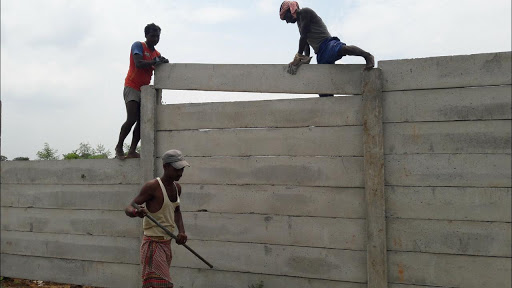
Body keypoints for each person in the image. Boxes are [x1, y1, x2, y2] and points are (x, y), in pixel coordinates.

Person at [279, 1, 375, 96]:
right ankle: (333, 107)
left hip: (327, 44)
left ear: (290, 10)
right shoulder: (299, 23)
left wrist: (298, 56)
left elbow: (303, 36)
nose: (287, 22)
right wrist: (304, 59)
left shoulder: (305, 12)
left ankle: (367, 56)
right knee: (323, 88)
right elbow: (306, 44)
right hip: (320, 54)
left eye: (285, 18)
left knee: (341, 49)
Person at [125, 149, 189, 288]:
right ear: (165, 167)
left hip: (167, 244)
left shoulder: (177, 188)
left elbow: (177, 211)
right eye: (177, 169)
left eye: (182, 169)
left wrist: (181, 232)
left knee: (153, 285)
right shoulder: (152, 186)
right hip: (153, 245)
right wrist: (137, 212)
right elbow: (129, 208)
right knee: (164, 284)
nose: (180, 173)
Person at [116, 23, 169, 159]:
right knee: (132, 117)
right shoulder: (138, 46)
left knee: (141, 120)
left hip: (145, 90)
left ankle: (132, 150)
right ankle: (119, 147)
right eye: (152, 36)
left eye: (157, 36)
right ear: (146, 35)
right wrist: (154, 61)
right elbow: (138, 63)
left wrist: (163, 62)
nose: (155, 39)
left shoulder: (156, 54)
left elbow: (159, 69)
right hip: (132, 86)